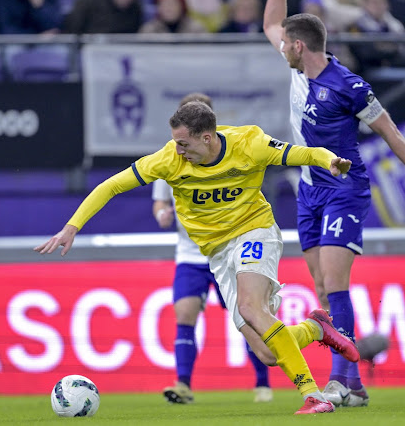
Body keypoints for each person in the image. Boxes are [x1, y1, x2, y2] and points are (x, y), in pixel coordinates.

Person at [35, 100, 360, 415]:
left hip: (254, 231)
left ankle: (312, 394)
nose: (178, 150)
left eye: (182, 143)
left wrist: (328, 160)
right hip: (216, 254)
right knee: (267, 354)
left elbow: (301, 153)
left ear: (206, 137)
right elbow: (111, 186)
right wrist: (71, 227)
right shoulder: (168, 160)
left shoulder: (249, 143)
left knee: (250, 307)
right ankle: (315, 328)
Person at [263, 0, 405, 408]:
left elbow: (392, 134)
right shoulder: (298, 71)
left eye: (285, 42)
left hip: (345, 189)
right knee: (322, 287)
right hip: (310, 190)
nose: (278, 45)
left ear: (298, 46)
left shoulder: (349, 86)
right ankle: (356, 384)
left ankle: (341, 379)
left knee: (335, 283)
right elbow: (269, 22)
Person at [154, 93, 273, 404]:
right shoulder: (171, 158)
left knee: (248, 317)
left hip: (227, 251)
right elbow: (159, 201)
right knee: (184, 314)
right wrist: (162, 214)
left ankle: (263, 383)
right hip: (190, 255)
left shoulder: (229, 152)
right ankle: (182, 384)